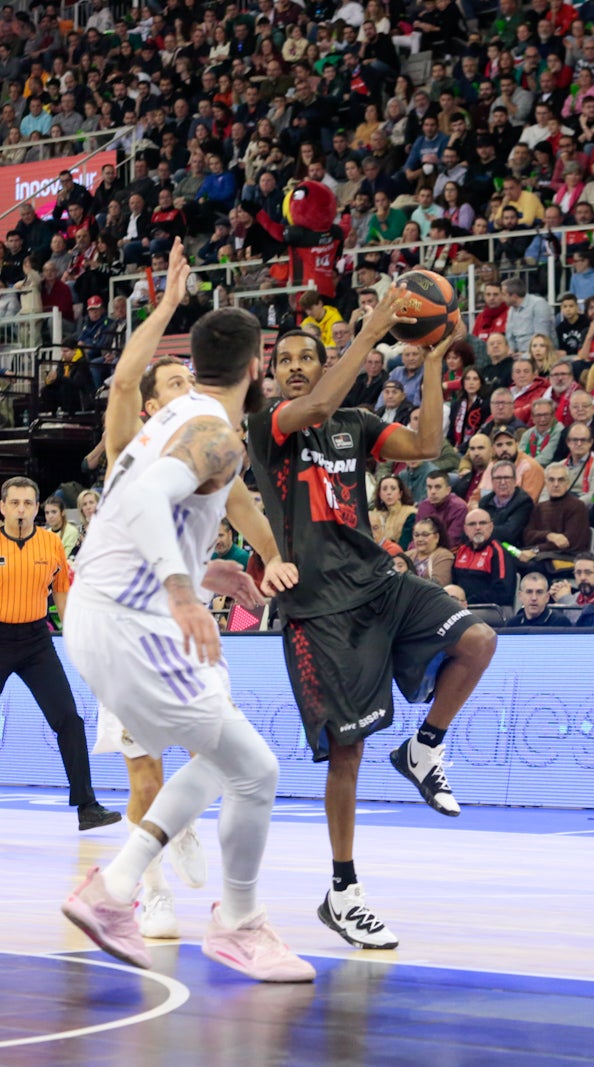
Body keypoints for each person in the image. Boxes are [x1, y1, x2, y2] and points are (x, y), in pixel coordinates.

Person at [61, 304, 316, 983]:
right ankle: (235, 922)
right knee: (256, 770)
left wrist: (205, 571)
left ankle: (118, 886)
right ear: (259, 365)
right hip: (134, 621)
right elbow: (145, 504)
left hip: (97, 610)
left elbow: (124, 515)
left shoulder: (167, 419)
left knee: (224, 754)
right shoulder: (216, 435)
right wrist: (182, 591)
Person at [246, 292, 497, 953]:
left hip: (380, 584)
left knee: (478, 639)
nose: (297, 368)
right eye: (287, 360)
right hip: (318, 610)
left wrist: (436, 359)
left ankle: (425, 745)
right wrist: (370, 332)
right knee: (347, 755)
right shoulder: (269, 424)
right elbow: (319, 404)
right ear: (274, 375)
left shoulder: (353, 423)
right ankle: (344, 890)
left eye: (309, 358)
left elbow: (429, 443)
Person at [0, 477, 122, 837]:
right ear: (2, 507)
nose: (21, 509)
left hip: (37, 641)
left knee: (68, 719)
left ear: (38, 508)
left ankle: (87, 807)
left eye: (28, 503)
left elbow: (63, 597)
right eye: (15, 502)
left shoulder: (51, 543)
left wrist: (76, 641)